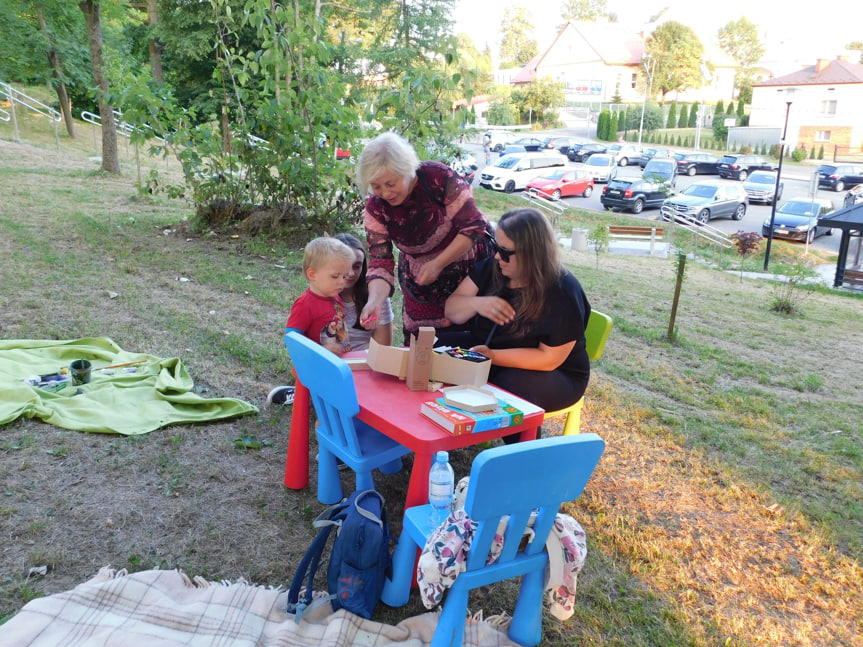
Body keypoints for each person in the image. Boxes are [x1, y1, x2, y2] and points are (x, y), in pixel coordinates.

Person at [443, 207, 592, 442]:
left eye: (505, 251)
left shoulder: (562, 290)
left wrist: (492, 356)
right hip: (490, 352)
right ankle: (439, 431)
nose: (496, 256)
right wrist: (477, 302)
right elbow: (452, 311)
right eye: (495, 245)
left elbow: (549, 359)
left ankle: (523, 462)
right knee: (439, 347)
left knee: (510, 389)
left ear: (533, 253)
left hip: (556, 374)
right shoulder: (493, 269)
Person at [356, 132, 495, 341]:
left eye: (390, 184)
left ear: (406, 169)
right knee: (421, 348)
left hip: (470, 272)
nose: (385, 193)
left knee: (471, 343)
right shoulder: (376, 208)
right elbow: (380, 262)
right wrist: (374, 301)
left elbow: (474, 225)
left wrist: (438, 263)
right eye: (377, 187)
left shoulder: (436, 177)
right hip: (421, 283)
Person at [267, 237, 355, 406]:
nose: (341, 282)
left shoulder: (335, 297)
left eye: (344, 276)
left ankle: (310, 396)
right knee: (332, 405)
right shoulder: (305, 303)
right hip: (318, 367)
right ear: (312, 274)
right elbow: (292, 339)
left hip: (338, 362)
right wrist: (320, 351)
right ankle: (302, 395)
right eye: (335, 276)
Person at [333, 232, 394, 351]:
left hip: (366, 364)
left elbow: (383, 350)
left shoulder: (377, 297)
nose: (351, 273)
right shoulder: (317, 297)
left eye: (357, 266)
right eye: (345, 265)